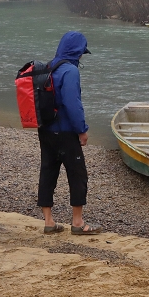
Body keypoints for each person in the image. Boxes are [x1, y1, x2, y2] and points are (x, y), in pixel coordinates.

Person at [38, 31, 101, 235]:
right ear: (76, 51)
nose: (82, 56)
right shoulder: (70, 71)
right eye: (82, 52)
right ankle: (77, 222)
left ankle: (48, 221)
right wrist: (82, 130)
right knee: (77, 174)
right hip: (65, 133)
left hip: (45, 131)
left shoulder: (48, 67)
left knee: (48, 172)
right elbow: (73, 105)